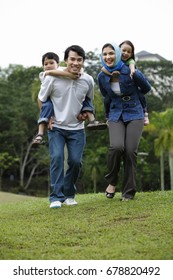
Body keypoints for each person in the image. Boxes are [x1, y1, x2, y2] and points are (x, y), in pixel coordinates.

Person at [38, 45, 94, 208]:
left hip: (77, 129)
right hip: (57, 127)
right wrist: (46, 117)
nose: (75, 63)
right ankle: (56, 197)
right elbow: (41, 99)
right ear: (66, 60)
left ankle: (69, 195)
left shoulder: (88, 80)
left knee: (76, 162)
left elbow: (88, 101)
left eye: (79, 59)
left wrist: (85, 113)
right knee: (57, 158)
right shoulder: (52, 78)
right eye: (72, 59)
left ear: (83, 61)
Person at [98, 43, 151, 201]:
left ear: (118, 54)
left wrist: (135, 73)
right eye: (105, 54)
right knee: (116, 147)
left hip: (135, 113)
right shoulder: (101, 76)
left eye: (111, 53)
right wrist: (107, 117)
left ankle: (128, 192)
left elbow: (146, 88)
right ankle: (112, 181)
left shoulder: (130, 70)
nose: (108, 57)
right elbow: (106, 97)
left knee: (129, 151)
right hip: (115, 114)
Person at [32, 52, 80, 145]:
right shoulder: (44, 74)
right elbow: (50, 73)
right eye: (45, 64)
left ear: (57, 64)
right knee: (46, 109)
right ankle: (40, 133)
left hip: (58, 101)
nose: (48, 66)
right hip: (46, 100)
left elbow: (67, 71)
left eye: (51, 63)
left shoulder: (61, 70)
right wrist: (69, 75)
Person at [101, 40, 150, 126]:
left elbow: (132, 64)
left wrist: (132, 71)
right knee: (107, 99)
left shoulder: (129, 64)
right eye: (123, 50)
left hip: (134, 109)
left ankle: (145, 113)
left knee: (140, 95)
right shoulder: (103, 73)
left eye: (129, 52)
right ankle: (107, 116)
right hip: (116, 112)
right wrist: (111, 75)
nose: (125, 53)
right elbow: (103, 70)